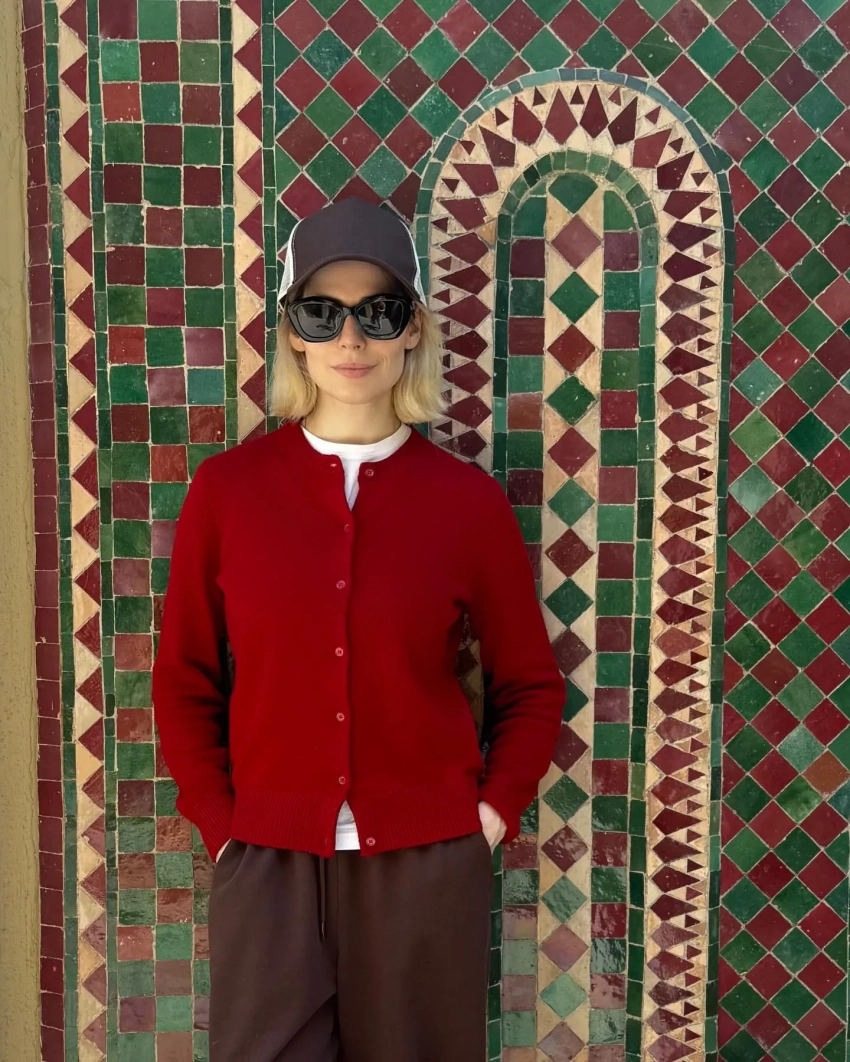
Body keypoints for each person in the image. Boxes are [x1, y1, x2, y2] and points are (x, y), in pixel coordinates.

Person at [151, 196, 566, 1062]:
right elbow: (185, 677)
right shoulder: (228, 493)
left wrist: (486, 820)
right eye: (321, 312)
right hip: (265, 859)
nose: (351, 338)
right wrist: (224, 826)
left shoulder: (466, 503)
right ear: (293, 334)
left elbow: (529, 684)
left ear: (412, 329)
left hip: (426, 863)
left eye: (378, 311)